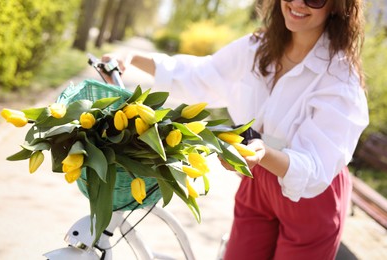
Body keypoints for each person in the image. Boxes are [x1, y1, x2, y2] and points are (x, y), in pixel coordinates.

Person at [103, 0, 369, 259]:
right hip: (257, 175)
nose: (298, 4)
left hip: (311, 195)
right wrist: (133, 58)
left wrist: (263, 153)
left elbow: (315, 167)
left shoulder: (340, 78)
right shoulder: (257, 46)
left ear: (338, 5)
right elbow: (201, 74)